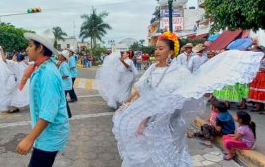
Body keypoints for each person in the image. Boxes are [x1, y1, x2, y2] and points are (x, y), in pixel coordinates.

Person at [112, 31, 263, 167]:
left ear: (171, 51)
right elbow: (139, 88)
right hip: (147, 116)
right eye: (156, 48)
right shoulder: (151, 69)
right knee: (145, 152)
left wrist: (205, 91)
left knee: (167, 153)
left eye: (161, 48)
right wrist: (127, 103)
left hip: (169, 121)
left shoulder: (179, 72)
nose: (157, 51)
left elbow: (191, 88)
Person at [16, 29, 69, 167]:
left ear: (40, 48)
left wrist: (29, 139)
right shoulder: (41, 68)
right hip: (45, 134)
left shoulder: (48, 73)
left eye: (30, 45)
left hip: (49, 136)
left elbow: (48, 113)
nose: (27, 49)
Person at [247, 46, 265, 113]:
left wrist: (262, 69)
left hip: (263, 76)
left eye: (257, 51)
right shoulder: (257, 59)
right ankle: (258, 106)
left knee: (262, 92)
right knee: (257, 92)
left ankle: (260, 106)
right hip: (257, 76)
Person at [57, 50, 72, 118]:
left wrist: (58, 77)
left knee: (63, 99)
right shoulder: (62, 64)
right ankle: (68, 114)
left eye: (60, 55)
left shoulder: (64, 65)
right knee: (63, 99)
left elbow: (66, 75)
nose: (59, 56)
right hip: (64, 84)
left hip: (65, 84)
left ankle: (68, 114)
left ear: (63, 57)